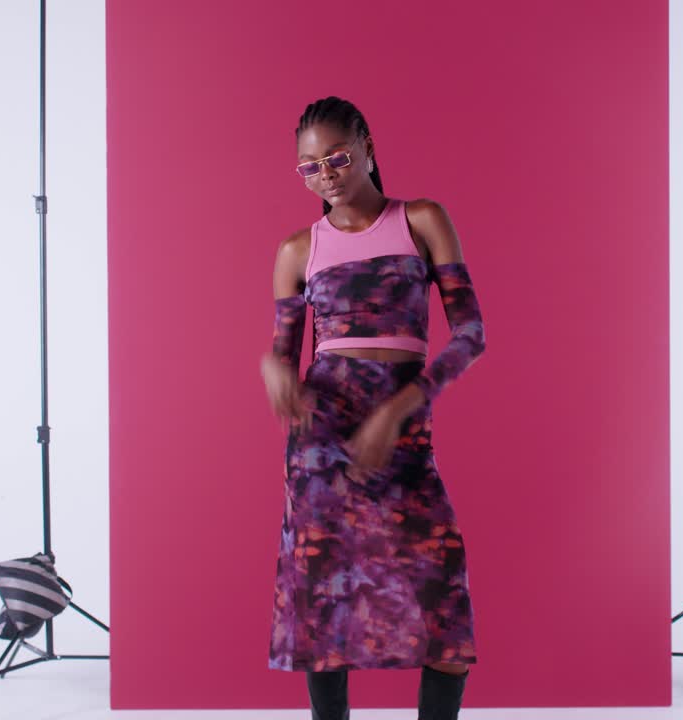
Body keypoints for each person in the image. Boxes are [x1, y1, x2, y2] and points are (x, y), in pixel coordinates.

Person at [260, 96, 485, 720]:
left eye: (337, 156)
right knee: (325, 612)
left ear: (367, 149)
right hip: (322, 440)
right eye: (310, 166)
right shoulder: (296, 250)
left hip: (402, 432)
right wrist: (273, 369)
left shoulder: (421, 219)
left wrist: (401, 410)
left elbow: (471, 334)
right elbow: (283, 353)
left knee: (443, 607)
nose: (326, 173)